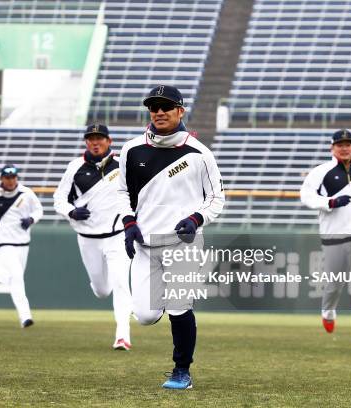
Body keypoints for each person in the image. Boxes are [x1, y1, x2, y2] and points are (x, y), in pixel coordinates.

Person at [117, 85, 225, 388]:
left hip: (183, 244)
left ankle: (182, 372)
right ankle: (168, 304)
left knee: (179, 307)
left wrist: (195, 219)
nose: (159, 112)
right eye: (154, 107)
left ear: (181, 111)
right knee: (145, 316)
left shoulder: (200, 153)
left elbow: (216, 198)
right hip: (144, 245)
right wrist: (128, 223)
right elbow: (121, 193)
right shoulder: (132, 149)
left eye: (166, 106)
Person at [53, 124, 133, 350]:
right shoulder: (75, 167)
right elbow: (59, 199)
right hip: (87, 237)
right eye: (90, 139)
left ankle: (122, 335)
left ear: (109, 141)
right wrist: (71, 211)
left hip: (117, 235)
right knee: (101, 290)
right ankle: (116, 300)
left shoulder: (122, 165)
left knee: (120, 283)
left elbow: (136, 194)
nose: (95, 142)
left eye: (99, 138)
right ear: (86, 142)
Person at [300, 129, 351, 346]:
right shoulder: (322, 171)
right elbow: (306, 195)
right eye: (340, 144)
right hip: (333, 235)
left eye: (348, 144)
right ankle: (328, 312)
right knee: (334, 284)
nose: (345, 147)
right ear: (332, 147)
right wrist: (329, 203)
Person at [0, 164, 43, 328]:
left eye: (13, 177)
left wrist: (31, 220)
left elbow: (38, 210)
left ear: (17, 178)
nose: (10, 181)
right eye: (7, 177)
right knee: (17, 277)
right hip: (4, 243)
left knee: (16, 276)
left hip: (23, 243)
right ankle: (25, 317)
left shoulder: (26, 193)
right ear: (2, 179)